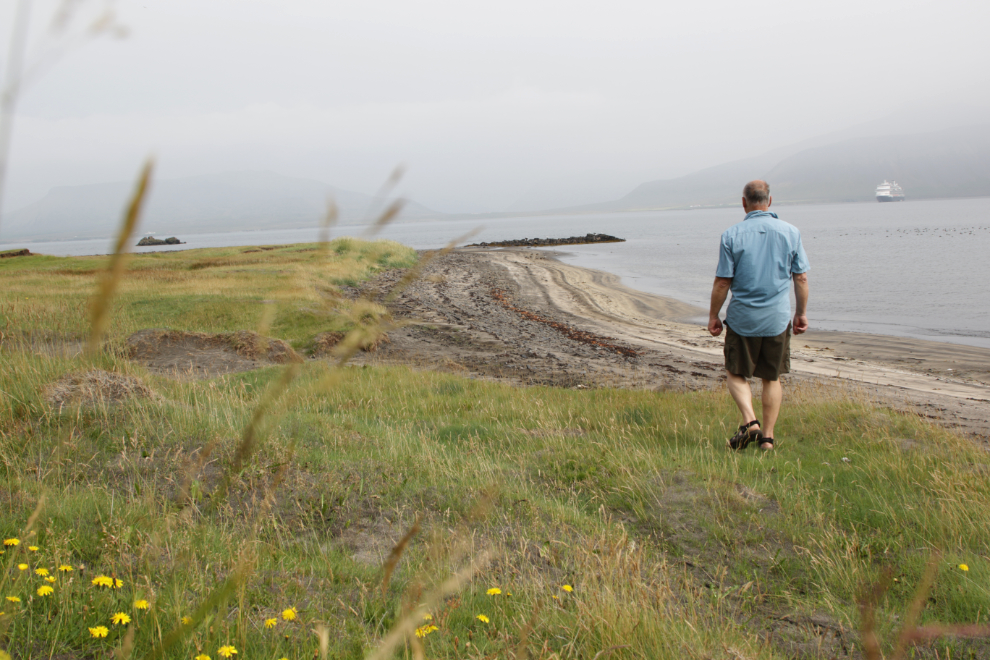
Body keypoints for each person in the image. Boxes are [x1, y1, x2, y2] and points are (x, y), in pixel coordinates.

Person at [708, 180, 809, 450]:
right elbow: (800, 279)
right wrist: (801, 314)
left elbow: (722, 282)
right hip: (777, 319)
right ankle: (768, 439)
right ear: (769, 201)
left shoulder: (731, 235)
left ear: (744, 203)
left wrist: (713, 316)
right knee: (771, 377)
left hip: (742, 320)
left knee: (735, 372)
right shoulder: (791, 232)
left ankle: (751, 422)